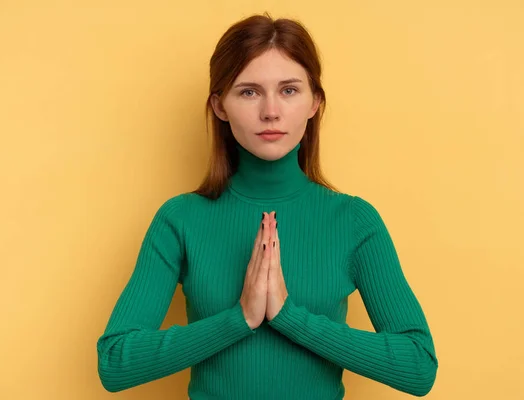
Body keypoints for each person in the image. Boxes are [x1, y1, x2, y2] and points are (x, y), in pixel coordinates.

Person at [96, 12, 438, 399]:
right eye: (249, 91)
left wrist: (289, 317)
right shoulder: (180, 220)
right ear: (220, 106)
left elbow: (418, 367)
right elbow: (115, 362)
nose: (271, 111)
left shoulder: (354, 221)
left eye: (289, 90)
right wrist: (239, 318)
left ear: (315, 103)